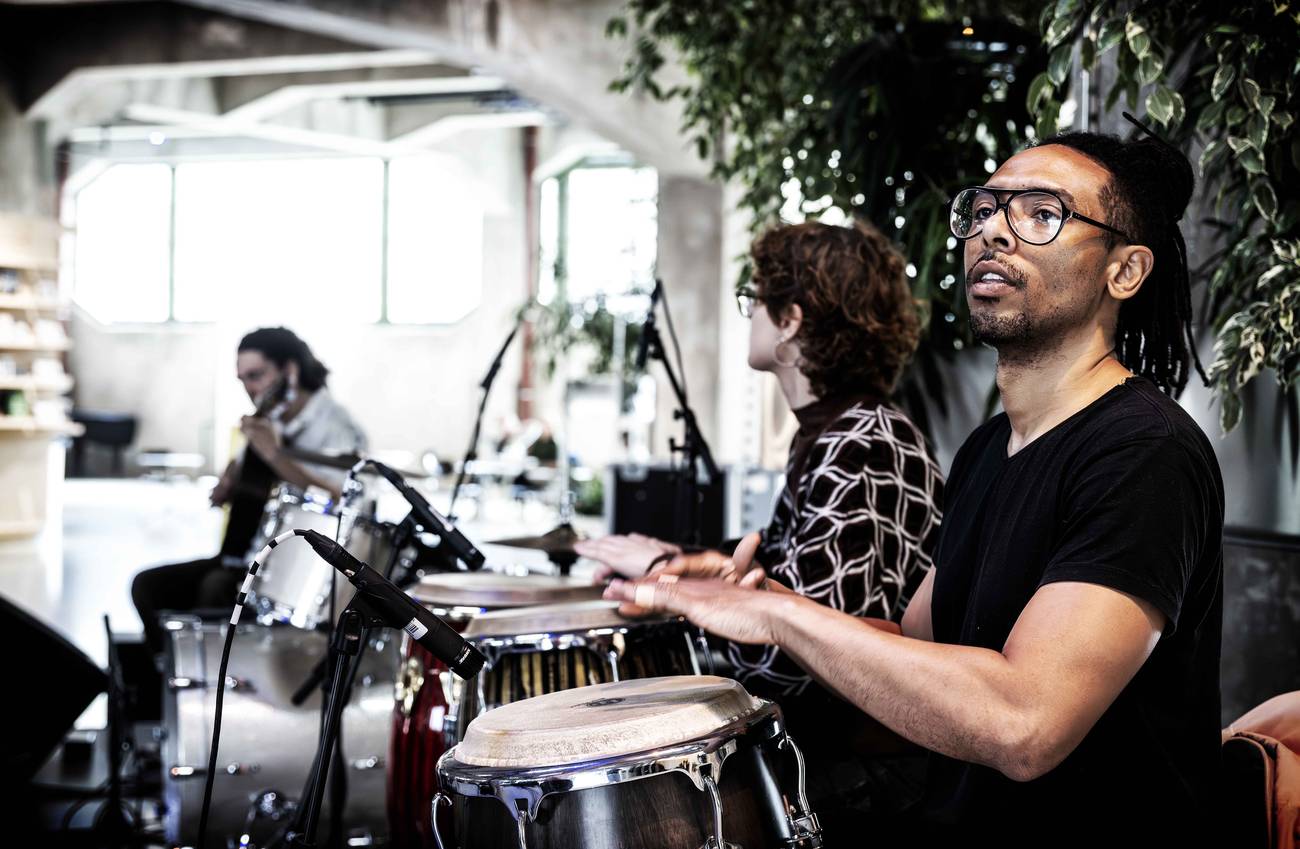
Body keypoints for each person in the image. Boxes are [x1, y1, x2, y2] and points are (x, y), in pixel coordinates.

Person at [606, 129, 1224, 844]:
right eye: (986, 208)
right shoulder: (990, 448)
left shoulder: (1145, 453)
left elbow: (1025, 721)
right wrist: (759, 596)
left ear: (1125, 271)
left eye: (1040, 212)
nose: (993, 228)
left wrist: (784, 622)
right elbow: (917, 640)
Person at [578, 220, 945, 830]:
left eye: (754, 302)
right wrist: (681, 563)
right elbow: (781, 574)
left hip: (863, 776)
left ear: (793, 321)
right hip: (837, 754)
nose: (749, 315)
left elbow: (812, 648)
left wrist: (674, 611)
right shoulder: (838, 432)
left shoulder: (860, 442)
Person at [131, 327, 367, 653]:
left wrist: (274, 454)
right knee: (148, 587)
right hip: (244, 557)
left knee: (214, 591)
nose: (249, 389)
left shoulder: (335, 426)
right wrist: (231, 482)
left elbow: (343, 503)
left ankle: (211, 679)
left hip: (289, 575)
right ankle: (167, 681)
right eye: (242, 379)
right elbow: (249, 483)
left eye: (256, 375)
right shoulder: (270, 419)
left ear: (291, 370)